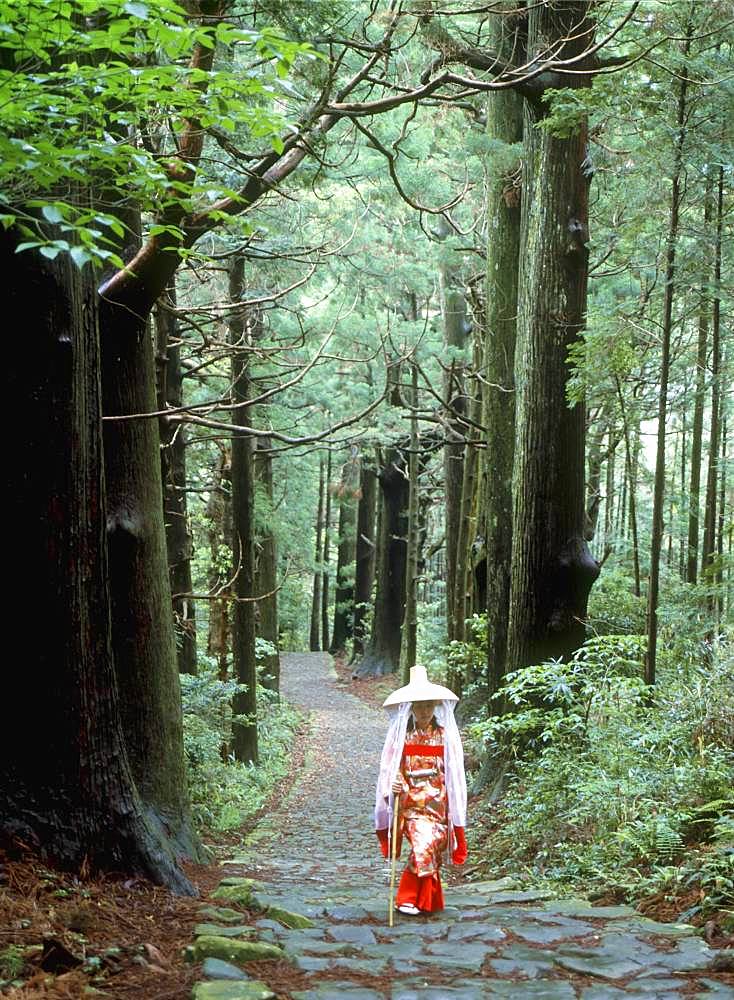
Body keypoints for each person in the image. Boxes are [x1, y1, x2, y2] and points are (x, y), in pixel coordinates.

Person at [374, 664, 467, 915]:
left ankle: (426, 900)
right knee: (421, 843)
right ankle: (406, 897)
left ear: (436, 706)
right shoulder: (401, 738)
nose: (425, 711)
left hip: (439, 807)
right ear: (411, 708)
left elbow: (454, 774)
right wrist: (396, 786)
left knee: (431, 848)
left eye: (429, 705)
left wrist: (453, 808)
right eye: (420, 706)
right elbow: (393, 770)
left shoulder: (445, 736)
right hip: (412, 805)